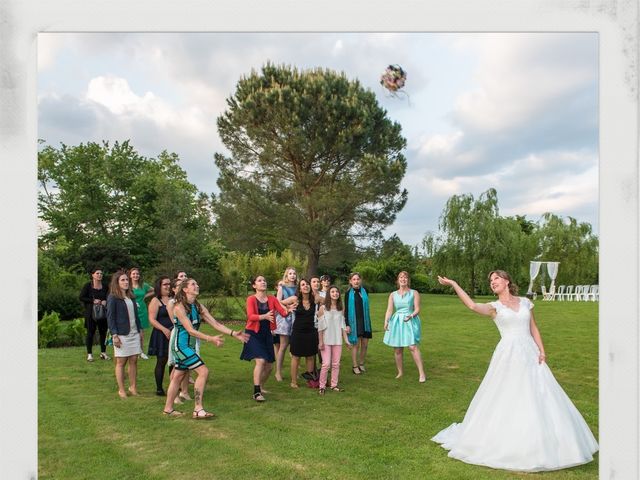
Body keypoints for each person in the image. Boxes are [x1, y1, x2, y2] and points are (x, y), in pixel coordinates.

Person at [432, 271, 598, 472]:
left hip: (530, 351)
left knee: (540, 393)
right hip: (508, 354)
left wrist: (542, 350)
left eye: (496, 279)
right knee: (509, 393)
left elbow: (533, 327)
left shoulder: (526, 302)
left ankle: (548, 440)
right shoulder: (494, 307)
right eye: (490, 280)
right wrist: (453, 283)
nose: (492, 282)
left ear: (506, 281)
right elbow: (472, 305)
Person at [162, 278, 248, 418]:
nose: (197, 285)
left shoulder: (198, 306)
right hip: (180, 346)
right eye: (193, 284)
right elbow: (190, 330)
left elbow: (215, 324)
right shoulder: (178, 307)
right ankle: (198, 409)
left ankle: (168, 409)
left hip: (188, 346)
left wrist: (233, 333)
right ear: (185, 289)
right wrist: (211, 338)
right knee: (203, 371)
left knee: (177, 376)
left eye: (197, 283)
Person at [240, 275, 295, 401]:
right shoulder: (251, 299)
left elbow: (282, 312)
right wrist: (264, 316)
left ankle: (261, 386)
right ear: (254, 286)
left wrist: (289, 310)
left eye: (264, 280)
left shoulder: (272, 299)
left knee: (269, 366)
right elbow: (250, 316)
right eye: (259, 280)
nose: (263, 282)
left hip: (267, 334)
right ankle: (256, 392)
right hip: (253, 333)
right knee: (260, 361)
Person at [383, 271, 426, 383]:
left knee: (412, 347)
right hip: (397, 322)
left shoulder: (414, 293)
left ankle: (422, 374)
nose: (403, 279)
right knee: (397, 349)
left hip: (410, 320)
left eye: (405, 277)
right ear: (398, 280)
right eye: (401, 277)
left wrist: (411, 315)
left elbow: (417, 308)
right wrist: (386, 321)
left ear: (408, 280)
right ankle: (400, 372)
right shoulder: (393, 294)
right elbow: (389, 309)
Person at [106, 270, 143, 399]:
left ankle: (133, 387)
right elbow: (110, 318)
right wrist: (114, 335)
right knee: (121, 362)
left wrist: (140, 330)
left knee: (134, 360)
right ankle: (121, 390)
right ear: (116, 282)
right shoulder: (113, 297)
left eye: (127, 280)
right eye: (123, 280)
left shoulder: (131, 296)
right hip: (121, 334)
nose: (126, 282)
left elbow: (136, 316)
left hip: (134, 333)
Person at [316, 285, 351, 395]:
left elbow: (343, 326)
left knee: (336, 364)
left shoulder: (341, 308)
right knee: (326, 364)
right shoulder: (323, 308)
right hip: (326, 340)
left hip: (337, 341)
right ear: (328, 294)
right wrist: (320, 341)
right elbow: (320, 327)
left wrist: (346, 341)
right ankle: (321, 386)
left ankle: (334, 385)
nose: (335, 293)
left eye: (337, 292)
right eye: (332, 292)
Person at [289, 279, 319, 388]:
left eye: (307, 284)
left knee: (310, 356)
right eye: (302, 285)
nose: (305, 286)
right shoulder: (295, 299)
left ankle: (310, 381)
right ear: (300, 289)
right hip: (298, 333)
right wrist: (288, 308)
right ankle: (293, 382)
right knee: (296, 357)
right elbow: (278, 302)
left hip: (311, 332)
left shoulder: (315, 299)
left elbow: (329, 300)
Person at [147, 276, 174, 396]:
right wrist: (164, 330)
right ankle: (159, 388)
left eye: (169, 284)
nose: (168, 286)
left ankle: (174, 386)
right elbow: (152, 320)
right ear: (159, 286)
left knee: (174, 361)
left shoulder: (174, 299)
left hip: (174, 333)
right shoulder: (155, 301)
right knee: (162, 361)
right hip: (161, 334)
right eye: (165, 284)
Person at [166, 277, 191, 404]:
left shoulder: (188, 302)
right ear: (174, 289)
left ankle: (184, 391)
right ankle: (174, 396)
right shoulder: (172, 303)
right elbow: (175, 322)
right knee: (177, 367)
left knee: (186, 366)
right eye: (179, 285)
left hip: (190, 336)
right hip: (180, 335)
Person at [79, 267, 110, 362]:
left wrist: (106, 301)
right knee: (90, 333)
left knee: (103, 333)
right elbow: (81, 297)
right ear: (92, 275)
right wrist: (93, 301)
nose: (100, 275)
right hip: (90, 313)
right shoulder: (88, 286)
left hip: (103, 313)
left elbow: (110, 296)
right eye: (97, 273)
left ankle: (103, 353)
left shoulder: (105, 286)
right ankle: (89, 354)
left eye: (101, 273)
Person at [344, 272, 372, 374]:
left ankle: (361, 363)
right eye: (354, 279)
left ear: (360, 280)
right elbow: (346, 310)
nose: (356, 281)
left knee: (365, 344)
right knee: (356, 344)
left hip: (365, 321)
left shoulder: (365, 291)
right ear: (350, 281)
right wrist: (347, 324)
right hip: (354, 322)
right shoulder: (348, 294)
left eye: (358, 279)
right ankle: (355, 365)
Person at [274, 267, 298, 381]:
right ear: (286, 275)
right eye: (290, 273)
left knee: (294, 346)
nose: (292, 275)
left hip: (297, 318)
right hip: (285, 318)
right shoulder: (282, 287)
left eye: (294, 273)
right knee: (283, 346)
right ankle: (278, 372)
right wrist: (288, 305)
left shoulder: (298, 288)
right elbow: (277, 302)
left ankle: (294, 371)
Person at [128, 267, 154, 359]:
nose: (136, 275)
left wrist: (145, 296)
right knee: (132, 331)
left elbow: (153, 290)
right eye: (133, 274)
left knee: (141, 332)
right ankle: (132, 351)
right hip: (131, 309)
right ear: (130, 275)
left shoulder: (143, 285)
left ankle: (141, 352)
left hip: (142, 310)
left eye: (137, 274)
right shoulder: (127, 285)